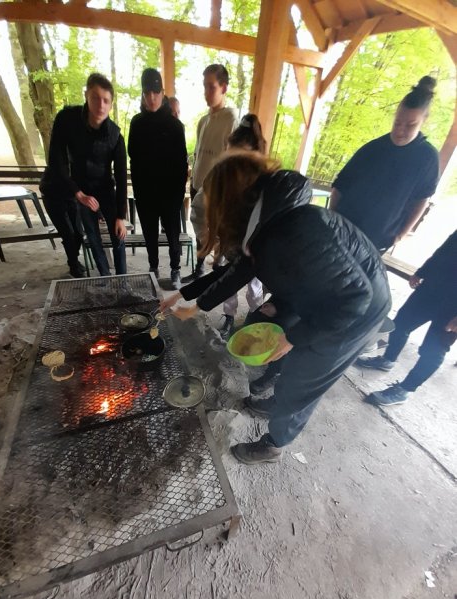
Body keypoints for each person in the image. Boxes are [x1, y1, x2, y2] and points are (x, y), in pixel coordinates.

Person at [161, 153, 391, 465]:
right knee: (290, 358)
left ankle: (274, 444)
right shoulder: (265, 222)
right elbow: (238, 271)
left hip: (354, 313)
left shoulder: (295, 229)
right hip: (323, 298)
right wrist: (191, 299)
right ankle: (279, 401)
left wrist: (294, 337)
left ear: (232, 202)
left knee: (306, 375)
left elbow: (355, 298)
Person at [330, 76, 440, 252]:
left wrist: (401, 235)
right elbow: (340, 186)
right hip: (341, 230)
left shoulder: (427, 158)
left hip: (378, 240)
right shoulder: (372, 149)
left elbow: (422, 199)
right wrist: (332, 219)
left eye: (410, 125)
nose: (400, 130)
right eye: (397, 122)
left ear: (424, 120)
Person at [41, 72, 127, 278]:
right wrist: (78, 193)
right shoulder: (67, 119)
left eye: (106, 100)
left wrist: (121, 216)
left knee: (119, 235)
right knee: (93, 237)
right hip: (80, 189)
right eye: (96, 98)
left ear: (111, 105)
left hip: (105, 189)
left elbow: (122, 175)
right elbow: (56, 160)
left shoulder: (115, 135)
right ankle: (106, 278)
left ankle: (123, 280)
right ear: (87, 95)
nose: (100, 105)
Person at [356, 231, 457, 405]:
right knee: (400, 325)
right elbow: (445, 249)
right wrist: (422, 271)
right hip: (432, 288)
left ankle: (405, 390)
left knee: (432, 349)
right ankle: (388, 360)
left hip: (453, 309)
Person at [189, 114, 267, 341]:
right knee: (227, 282)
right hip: (227, 240)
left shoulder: (264, 178)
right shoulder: (219, 173)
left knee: (254, 285)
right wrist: (207, 239)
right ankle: (230, 316)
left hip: (253, 245)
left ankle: (254, 317)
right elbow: (198, 210)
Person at [128, 68, 188, 289]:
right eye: (147, 93)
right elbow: (132, 158)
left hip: (170, 195)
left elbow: (182, 165)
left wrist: (177, 195)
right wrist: (139, 191)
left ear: (162, 93)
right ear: (143, 95)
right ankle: (153, 267)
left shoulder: (175, 126)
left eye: (155, 92)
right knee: (150, 235)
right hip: (146, 194)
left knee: (173, 234)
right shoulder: (136, 123)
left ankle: (175, 269)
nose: (151, 97)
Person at [183, 64, 238, 282]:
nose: (207, 93)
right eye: (204, 87)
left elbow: (233, 160)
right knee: (198, 229)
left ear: (224, 88)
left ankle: (218, 271)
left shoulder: (232, 120)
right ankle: (199, 269)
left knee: (218, 232)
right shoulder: (203, 121)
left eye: (211, 87)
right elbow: (199, 154)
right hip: (198, 183)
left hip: (217, 190)